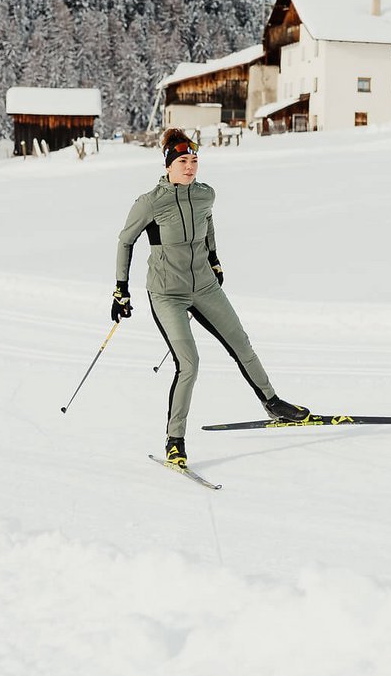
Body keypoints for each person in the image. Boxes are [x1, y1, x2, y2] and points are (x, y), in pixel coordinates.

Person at [113, 129, 306, 468]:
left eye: (194, 161)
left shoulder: (205, 195)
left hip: (203, 285)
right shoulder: (150, 202)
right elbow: (125, 242)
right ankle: (175, 440)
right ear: (169, 165)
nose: (190, 167)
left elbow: (208, 224)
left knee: (241, 344)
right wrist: (121, 289)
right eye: (183, 161)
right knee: (189, 364)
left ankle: (273, 403)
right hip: (167, 293)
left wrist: (214, 258)